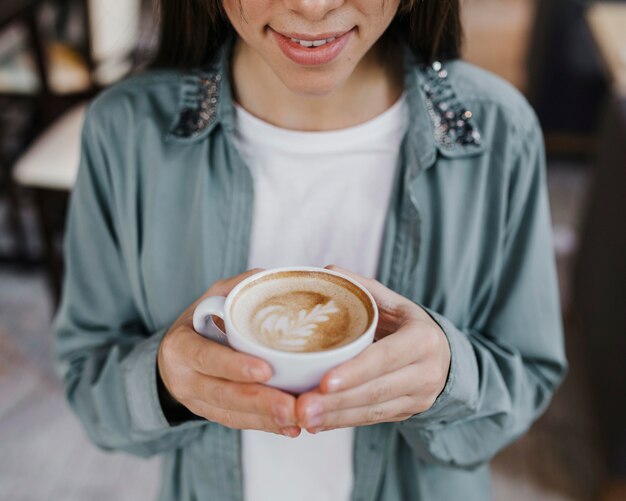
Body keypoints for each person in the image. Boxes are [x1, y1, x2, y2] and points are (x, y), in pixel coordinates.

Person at [53, 1, 568, 500]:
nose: (313, 5)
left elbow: (529, 377)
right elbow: (87, 382)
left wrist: (451, 375)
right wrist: (163, 380)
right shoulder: (124, 132)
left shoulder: (500, 132)